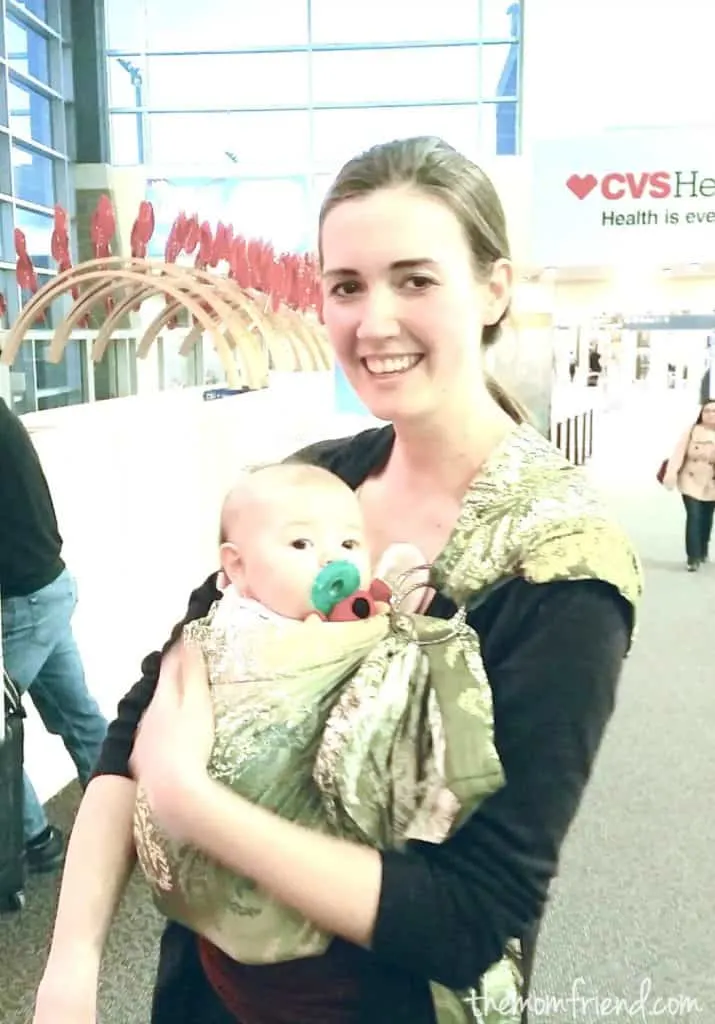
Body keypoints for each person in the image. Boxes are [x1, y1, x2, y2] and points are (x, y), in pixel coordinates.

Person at [34, 137, 642, 1024]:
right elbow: (138, 725)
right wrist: (73, 959)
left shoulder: (556, 564)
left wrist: (193, 806)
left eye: (415, 280)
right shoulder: (312, 484)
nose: (373, 320)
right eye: (347, 286)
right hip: (209, 985)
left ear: (494, 290)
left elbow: (472, 915)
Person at [0, 397, 108, 873]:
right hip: (48, 584)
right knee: (77, 712)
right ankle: (126, 816)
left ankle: (34, 839)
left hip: (22, 602)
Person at [662, 400, 715, 571]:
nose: (710, 414)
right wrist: (671, 473)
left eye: (714, 411)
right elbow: (678, 453)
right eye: (707, 411)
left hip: (712, 481)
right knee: (694, 516)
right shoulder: (692, 431)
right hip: (690, 478)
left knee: (706, 517)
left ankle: (702, 548)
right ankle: (693, 557)